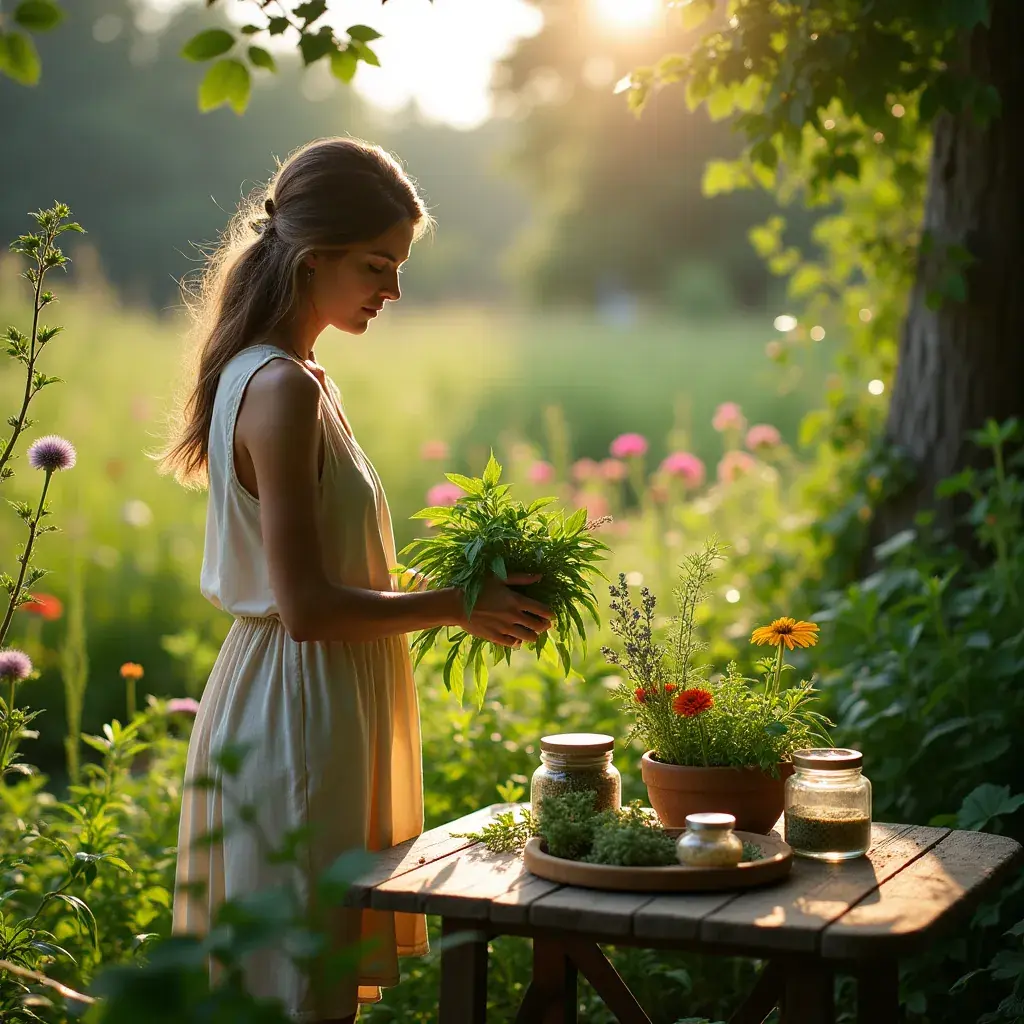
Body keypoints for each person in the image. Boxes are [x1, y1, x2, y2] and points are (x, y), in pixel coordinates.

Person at [158, 136, 553, 1023]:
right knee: (303, 987)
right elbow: (306, 609)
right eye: (378, 265)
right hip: (299, 709)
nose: (393, 290)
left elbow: (336, 571)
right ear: (312, 255)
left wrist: (477, 577)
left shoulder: (294, 376)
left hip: (314, 697)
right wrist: (461, 606)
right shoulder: (281, 388)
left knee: (314, 980)